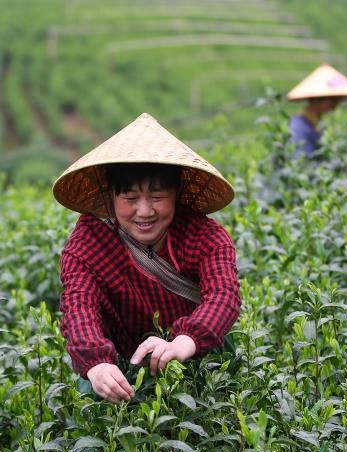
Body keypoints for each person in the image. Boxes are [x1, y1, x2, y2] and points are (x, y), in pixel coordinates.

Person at [53, 113, 241, 403]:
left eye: (157, 197)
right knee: (95, 400)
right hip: (122, 361)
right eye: (129, 199)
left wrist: (182, 343)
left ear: (177, 193)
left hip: (194, 350)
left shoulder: (204, 236)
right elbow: (79, 306)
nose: (144, 211)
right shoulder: (88, 244)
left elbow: (223, 295)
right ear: (111, 197)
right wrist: (97, 364)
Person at [285, 64, 347, 158]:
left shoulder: (316, 124)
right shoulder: (299, 127)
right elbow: (301, 161)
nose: (336, 104)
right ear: (316, 100)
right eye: (332, 99)